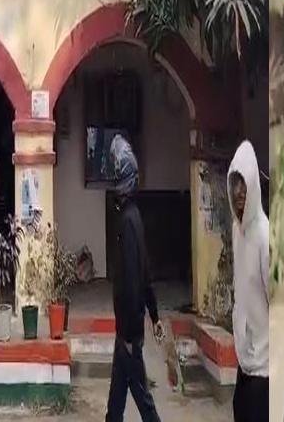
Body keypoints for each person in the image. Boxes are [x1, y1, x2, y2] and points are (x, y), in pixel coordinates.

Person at [106, 134, 165, 422]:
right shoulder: (133, 217)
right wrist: (155, 315)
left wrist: (130, 335)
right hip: (127, 329)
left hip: (128, 331)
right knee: (117, 399)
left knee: (141, 397)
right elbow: (146, 272)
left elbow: (132, 281)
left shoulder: (128, 221)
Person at [228, 140, 269, 422]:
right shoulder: (236, 231)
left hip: (264, 368)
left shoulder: (264, 236)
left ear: (254, 185)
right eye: (235, 183)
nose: (239, 191)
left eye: (244, 183)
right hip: (245, 362)